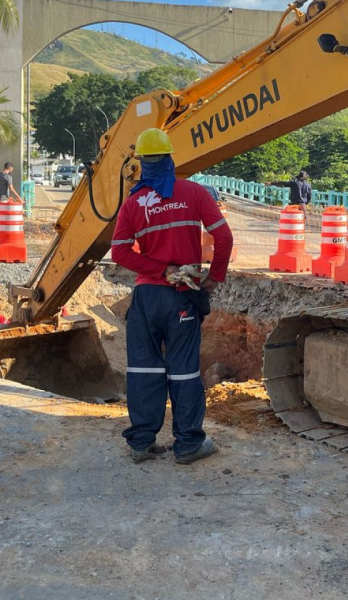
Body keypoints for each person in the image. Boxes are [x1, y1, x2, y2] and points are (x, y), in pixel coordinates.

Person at [110, 128, 233, 465]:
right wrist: (214, 277)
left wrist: (158, 269)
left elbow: (119, 252)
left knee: (144, 369)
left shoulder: (134, 202)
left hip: (147, 296)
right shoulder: (193, 192)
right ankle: (188, 443)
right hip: (182, 296)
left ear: (141, 164)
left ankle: (141, 443)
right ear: (170, 157)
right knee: (182, 370)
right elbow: (223, 237)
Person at [0, 162, 22, 237]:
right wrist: (19, 197)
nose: (12, 171)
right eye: (12, 169)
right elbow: (11, 189)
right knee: (4, 217)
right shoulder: (8, 177)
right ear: (9, 168)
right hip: (4, 200)